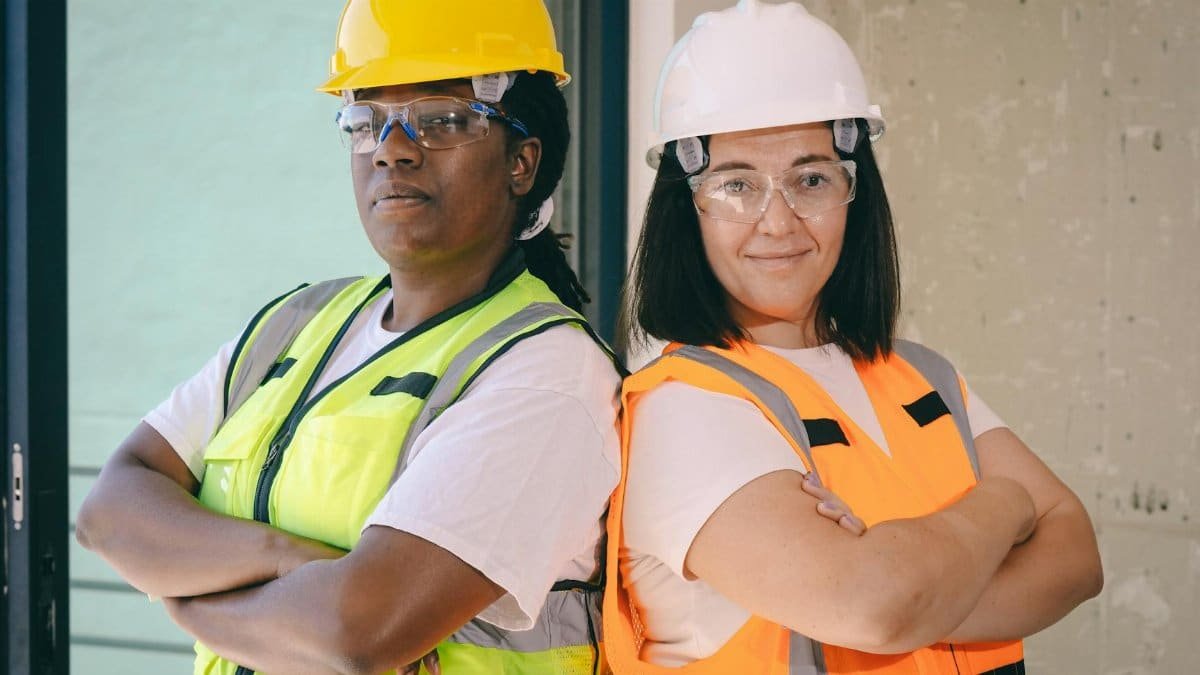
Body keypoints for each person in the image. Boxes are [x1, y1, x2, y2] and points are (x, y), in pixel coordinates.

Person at [75, 1, 622, 673]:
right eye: (365, 121)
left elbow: (355, 629)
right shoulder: (295, 326)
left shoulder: (547, 374)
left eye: (442, 119)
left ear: (521, 162)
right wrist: (289, 560)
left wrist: (186, 595)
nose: (392, 147)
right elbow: (108, 510)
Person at [605, 1, 1103, 673]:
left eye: (811, 178)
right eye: (736, 185)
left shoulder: (922, 376)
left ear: (855, 192)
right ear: (684, 207)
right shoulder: (683, 408)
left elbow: (1077, 558)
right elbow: (872, 607)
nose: (777, 222)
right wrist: (1007, 504)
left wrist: (918, 590)